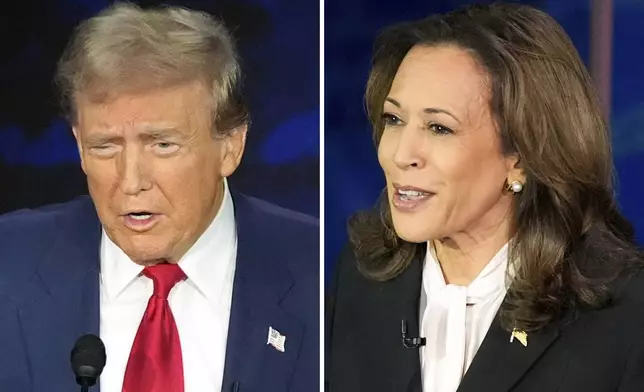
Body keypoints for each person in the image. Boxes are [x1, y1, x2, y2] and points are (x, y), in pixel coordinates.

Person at [0, 3, 318, 392]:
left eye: (162, 144)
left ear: (231, 145)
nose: (131, 181)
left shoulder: (320, 275)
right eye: (104, 146)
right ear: (79, 146)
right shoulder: (9, 265)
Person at [326, 3, 644, 392]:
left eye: (439, 128)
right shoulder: (360, 278)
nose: (399, 154)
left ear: (522, 158)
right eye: (394, 119)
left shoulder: (624, 318)